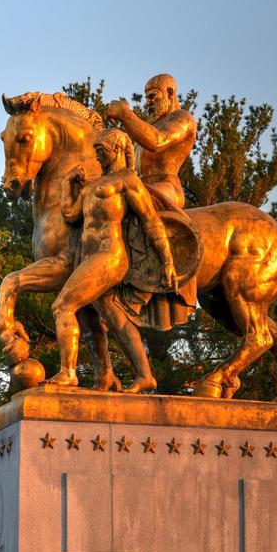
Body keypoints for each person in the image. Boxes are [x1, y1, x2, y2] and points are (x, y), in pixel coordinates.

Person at [50, 128, 177, 389]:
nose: (97, 157)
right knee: (115, 318)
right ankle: (145, 375)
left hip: (110, 256)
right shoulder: (93, 184)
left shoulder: (127, 179)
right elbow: (71, 214)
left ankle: (68, 372)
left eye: (101, 151)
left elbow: (151, 221)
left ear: (117, 148)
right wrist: (67, 185)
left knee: (62, 306)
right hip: (88, 258)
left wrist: (167, 261)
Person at [106, 73, 196, 209]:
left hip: (166, 187)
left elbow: (157, 141)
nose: (147, 102)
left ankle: (153, 229)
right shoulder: (150, 126)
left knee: (126, 204)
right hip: (140, 185)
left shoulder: (183, 117)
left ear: (170, 93)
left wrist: (125, 114)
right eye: (146, 98)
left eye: (152, 96)